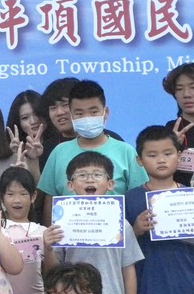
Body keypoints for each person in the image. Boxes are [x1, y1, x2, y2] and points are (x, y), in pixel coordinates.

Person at [43, 152, 142, 294]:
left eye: (97, 174)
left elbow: (128, 271)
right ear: (70, 185)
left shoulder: (122, 224)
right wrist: (48, 249)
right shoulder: (62, 224)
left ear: (110, 184)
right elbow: (53, 272)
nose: (90, 179)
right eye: (82, 175)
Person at [127, 126, 194, 294]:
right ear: (139, 160)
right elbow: (120, 252)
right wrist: (135, 230)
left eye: (168, 153)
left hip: (189, 282)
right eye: (152, 155)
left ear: (179, 156)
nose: (161, 160)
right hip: (149, 288)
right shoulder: (130, 199)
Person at [37, 79, 144, 217]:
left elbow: (138, 196)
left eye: (93, 112)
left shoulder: (126, 152)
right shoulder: (58, 152)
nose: (87, 118)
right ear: (72, 115)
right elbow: (50, 198)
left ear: (106, 112)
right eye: (79, 114)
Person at [0, 166, 53, 294]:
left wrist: (49, 248)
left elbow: (51, 272)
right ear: (1, 198)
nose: (17, 200)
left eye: (23, 194)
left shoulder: (42, 231)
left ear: (33, 197)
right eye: (10, 194)